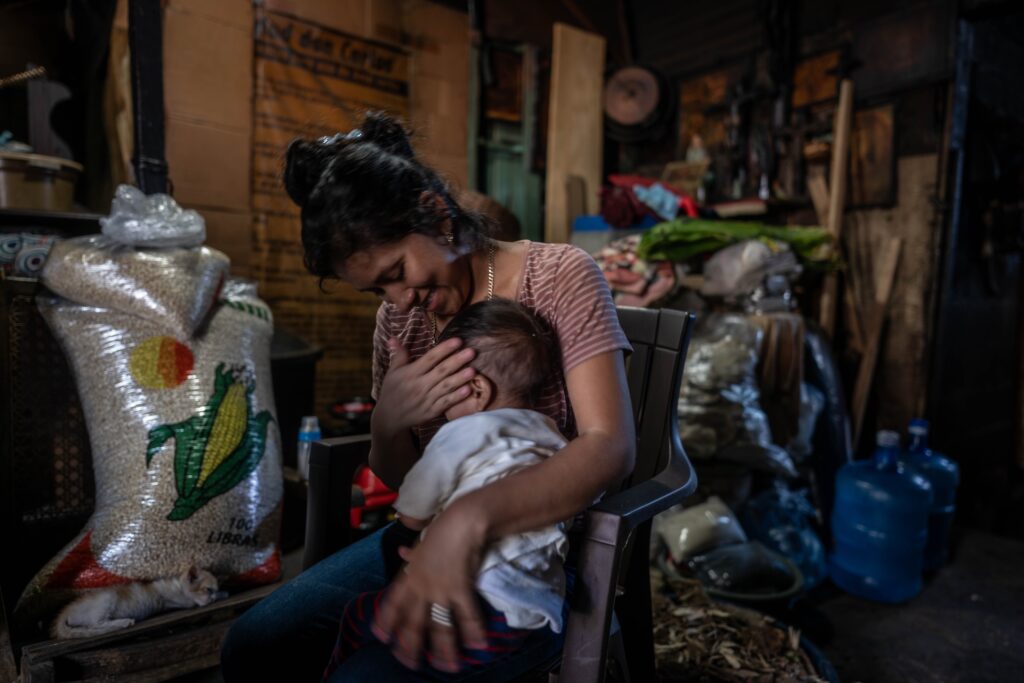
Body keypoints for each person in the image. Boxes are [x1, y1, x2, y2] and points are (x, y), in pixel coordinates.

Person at [220, 111, 635, 682]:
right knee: (254, 643)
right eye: (377, 287)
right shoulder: (400, 323)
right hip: (431, 535)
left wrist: (468, 521)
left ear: (437, 215)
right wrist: (389, 420)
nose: (399, 298)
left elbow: (609, 447)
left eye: (398, 270)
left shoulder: (560, 275)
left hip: (537, 560)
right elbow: (400, 476)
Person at [323, 299, 571, 680]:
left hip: (467, 609)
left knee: (361, 611)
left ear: (475, 389)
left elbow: (414, 502)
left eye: (444, 387)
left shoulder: (461, 433)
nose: (436, 404)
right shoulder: (550, 434)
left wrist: (412, 522)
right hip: (528, 613)